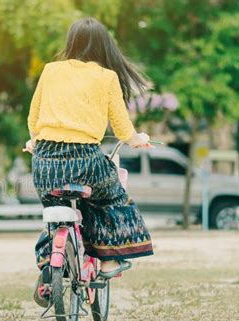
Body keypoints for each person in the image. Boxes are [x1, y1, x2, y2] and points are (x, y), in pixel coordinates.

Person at [25, 17, 154, 294]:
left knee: (54, 213)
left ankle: (50, 261)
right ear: (103, 46)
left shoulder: (50, 70)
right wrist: (139, 140)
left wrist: (35, 141)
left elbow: (34, 119)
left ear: (71, 43)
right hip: (85, 160)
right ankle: (108, 262)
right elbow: (122, 129)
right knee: (111, 196)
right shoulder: (106, 77)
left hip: (45, 162)